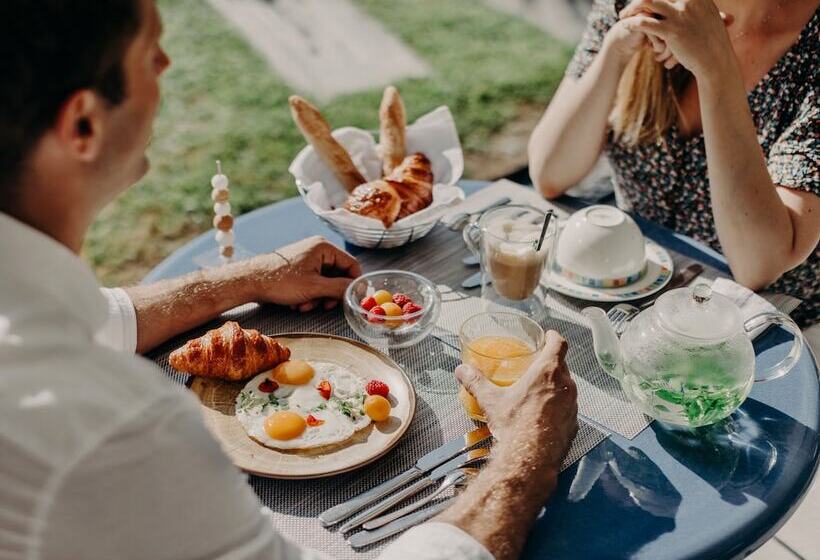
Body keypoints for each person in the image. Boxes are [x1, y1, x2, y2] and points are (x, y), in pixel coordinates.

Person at [0, 1, 578, 559]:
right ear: (82, 123)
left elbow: (95, 319)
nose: (167, 66)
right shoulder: (111, 429)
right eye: (150, 51)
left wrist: (249, 278)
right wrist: (523, 460)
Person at [529, 0, 819, 327]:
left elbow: (757, 266)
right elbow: (549, 172)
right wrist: (616, 50)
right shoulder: (639, 4)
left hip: (767, 338)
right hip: (624, 295)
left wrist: (716, 68)